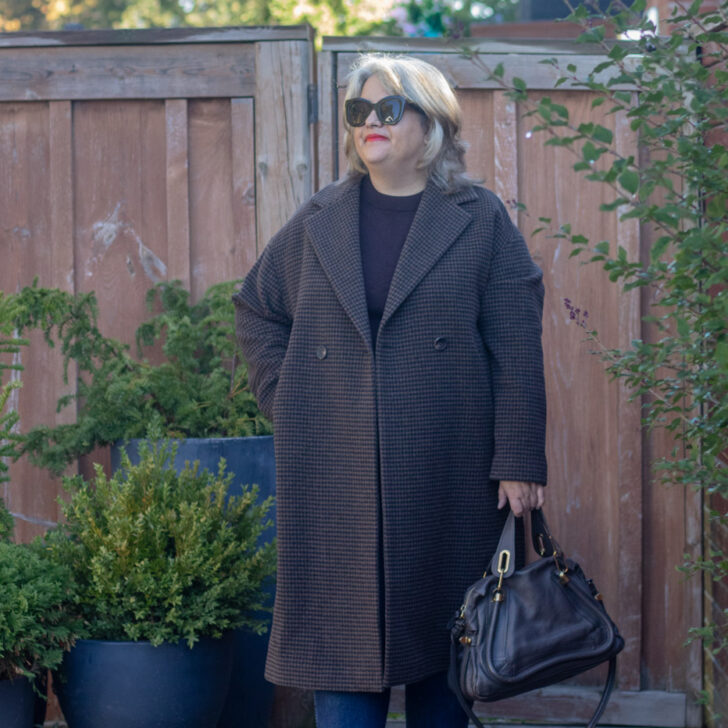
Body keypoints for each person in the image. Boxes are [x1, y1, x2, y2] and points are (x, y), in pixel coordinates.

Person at [233, 53, 547, 728]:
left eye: (388, 109)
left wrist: (519, 457)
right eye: (359, 112)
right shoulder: (320, 219)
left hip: (446, 466)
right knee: (341, 661)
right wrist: (287, 397)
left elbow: (517, 340)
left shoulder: (479, 219)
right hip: (334, 471)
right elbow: (256, 308)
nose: (370, 123)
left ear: (430, 123)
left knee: (445, 654)